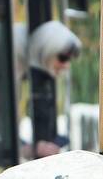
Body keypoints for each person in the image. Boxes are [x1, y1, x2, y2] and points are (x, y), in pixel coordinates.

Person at [25, 20, 82, 160]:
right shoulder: (22, 75)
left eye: (69, 60)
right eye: (62, 58)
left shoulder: (46, 81)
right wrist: (33, 148)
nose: (66, 66)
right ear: (46, 50)